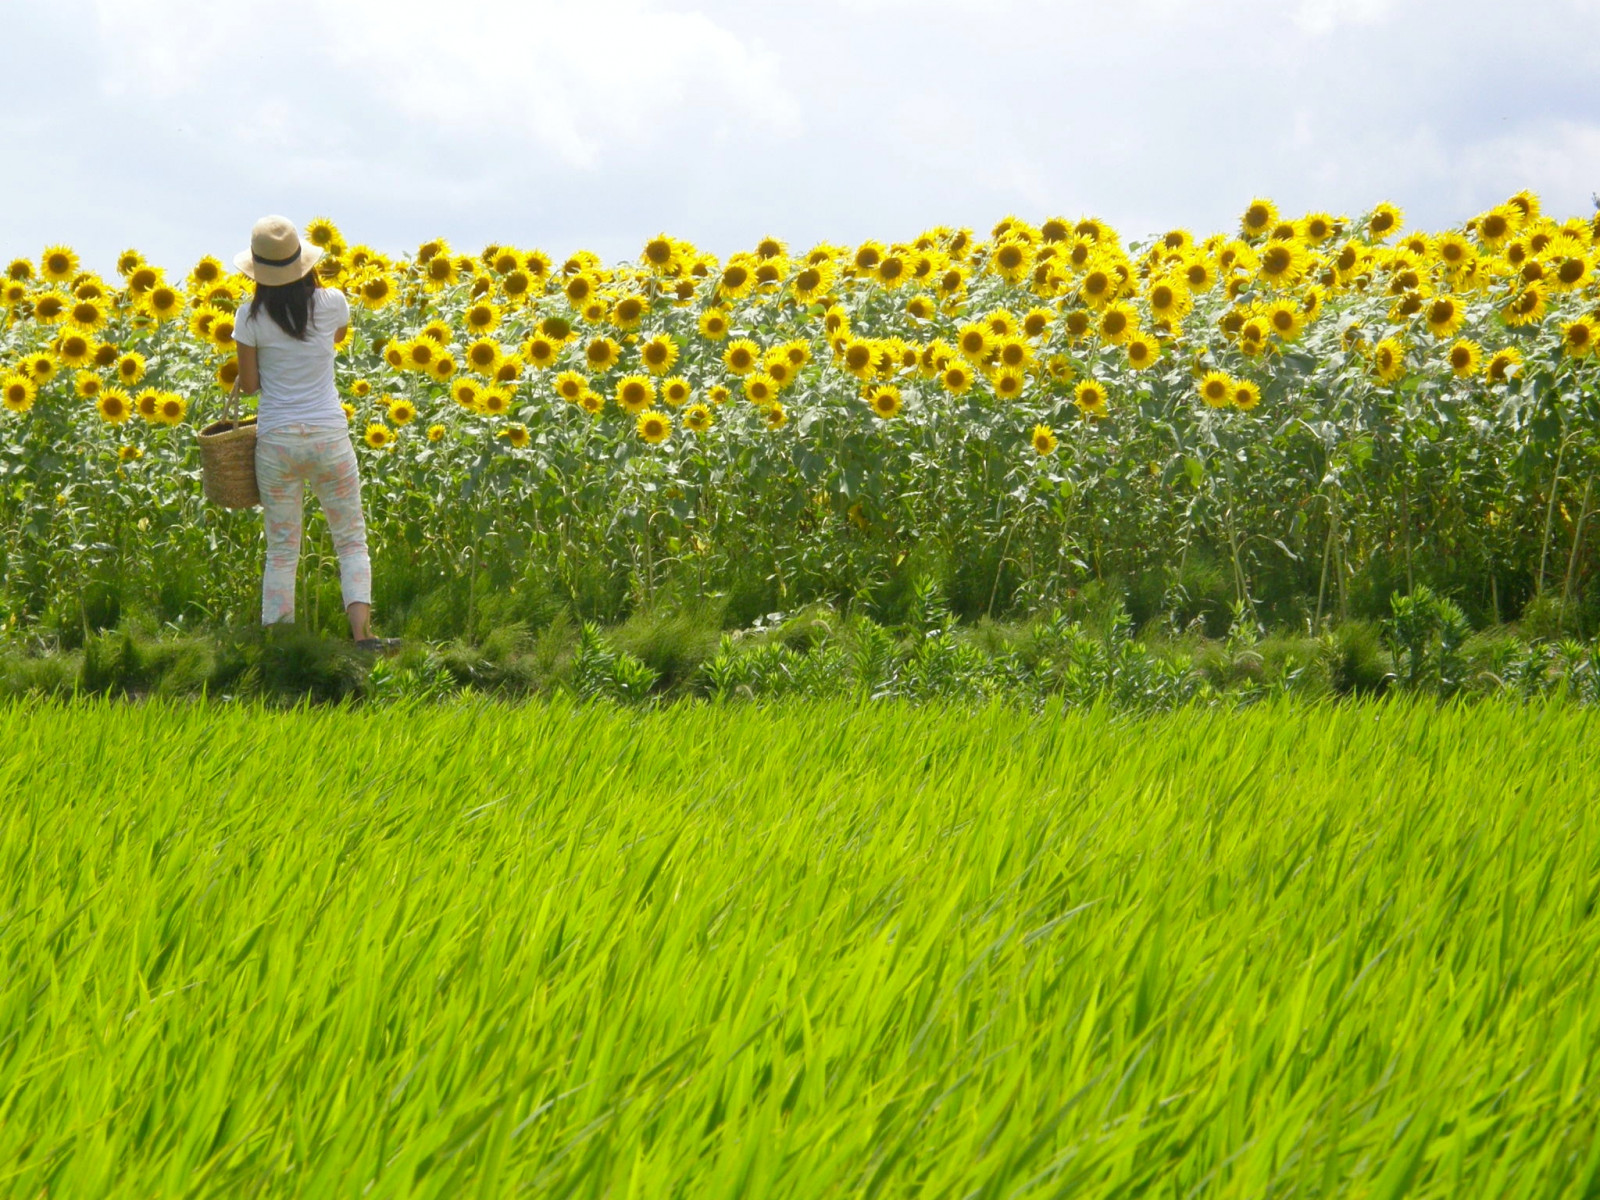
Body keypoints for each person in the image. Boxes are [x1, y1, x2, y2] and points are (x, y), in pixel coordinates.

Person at [232, 214, 391, 650]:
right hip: (328, 438)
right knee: (350, 539)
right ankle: (362, 634)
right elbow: (336, 337)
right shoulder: (333, 301)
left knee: (282, 549)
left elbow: (249, 387)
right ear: (302, 260)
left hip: (277, 442)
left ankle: (281, 645)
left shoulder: (249, 317)